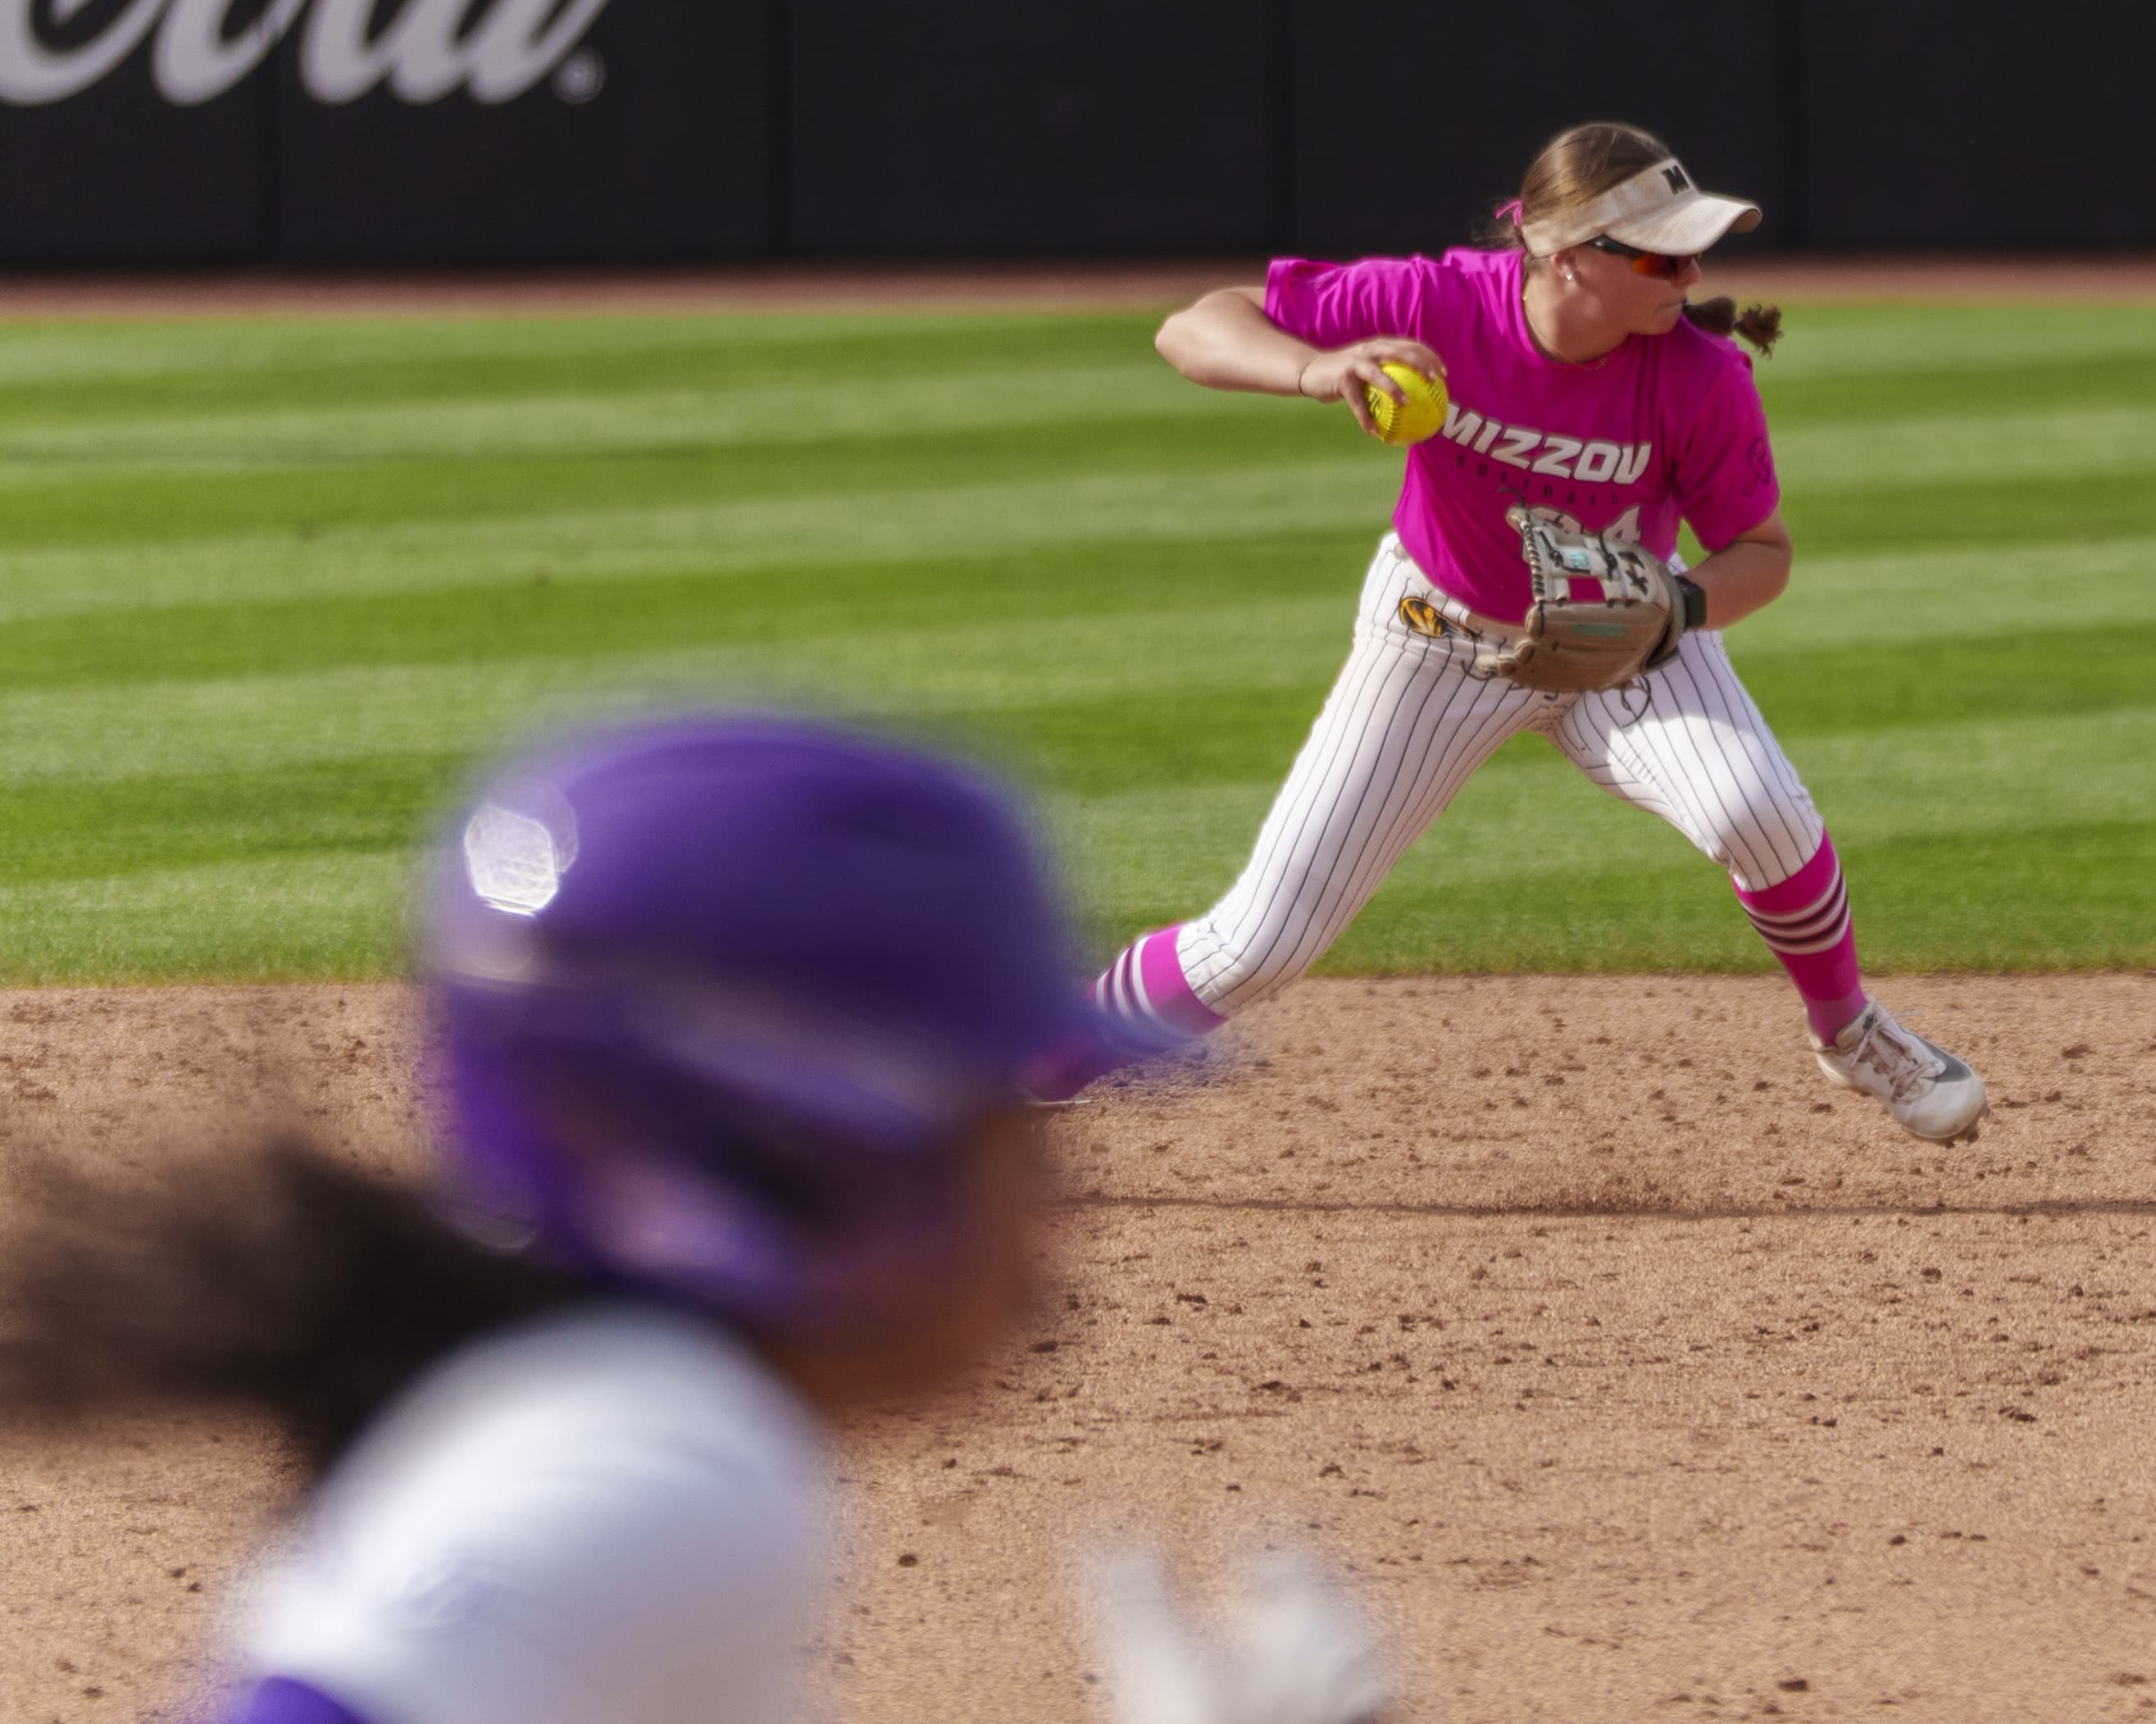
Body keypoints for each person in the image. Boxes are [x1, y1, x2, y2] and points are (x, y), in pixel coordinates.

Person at [0, 713, 1383, 1724]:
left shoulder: (617, 1421)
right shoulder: (656, 1465)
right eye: (1005, 1131)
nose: (1056, 1199)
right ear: (808, 1154)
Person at [1069, 121, 1985, 1143]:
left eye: (1696, 248)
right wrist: (1317, 369)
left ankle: (1848, 1028)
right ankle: (1034, 1057)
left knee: (1755, 808)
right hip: (1437, 640)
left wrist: (1674, 609)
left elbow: (1762, 555)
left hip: (1626, 643)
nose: (1690, 271)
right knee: (1257, 945)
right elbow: (1193, 327)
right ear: (1564, 256)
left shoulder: (1700, 377)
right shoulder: (1437, 304)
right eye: (1660, 253)